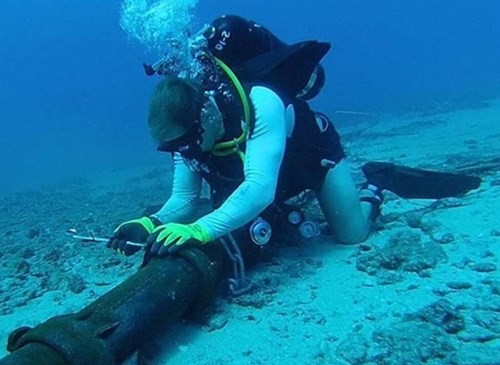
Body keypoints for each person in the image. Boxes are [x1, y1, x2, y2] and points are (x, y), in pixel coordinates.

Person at [107, 15, 480, 258]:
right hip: (267, 173)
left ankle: (376, 184)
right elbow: (184, 198)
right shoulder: (187, 139)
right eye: (170, 149)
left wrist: (200, 230)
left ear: (203, 117)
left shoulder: (260, 101)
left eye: (182, 145)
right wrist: (150, 223)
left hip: (309, 158)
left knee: (352, 235)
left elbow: (258, 188)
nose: (181, 154)